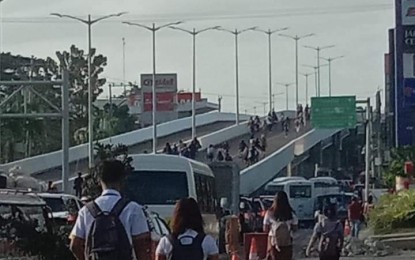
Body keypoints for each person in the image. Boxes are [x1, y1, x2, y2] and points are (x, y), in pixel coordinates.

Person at [69, 160, 151, 260]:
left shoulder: (86, 210)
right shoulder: (133, 209)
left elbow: (75, 245)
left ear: (99, 180)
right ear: (123, 179)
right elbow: (142, 246)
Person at [263, 191, 298, 260]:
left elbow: (265, 229)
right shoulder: (291, 213)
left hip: (273, 242)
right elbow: (295, 228)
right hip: (287, 242)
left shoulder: (270, 213)